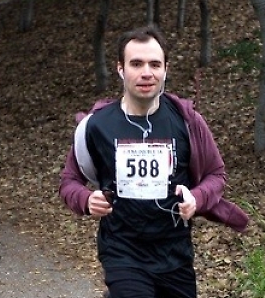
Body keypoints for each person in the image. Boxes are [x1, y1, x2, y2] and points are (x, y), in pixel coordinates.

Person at [59, 26, 248, 298]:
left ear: (165, 70)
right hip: (122, 250)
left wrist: (196, 198)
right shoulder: (97, 125)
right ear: (121, 69)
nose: (146, 72)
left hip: (174, 252)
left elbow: (216, 174)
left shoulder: (187, 122)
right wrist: (86, 200)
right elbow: (69, 181)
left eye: (155, 64)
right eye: (136, 64)